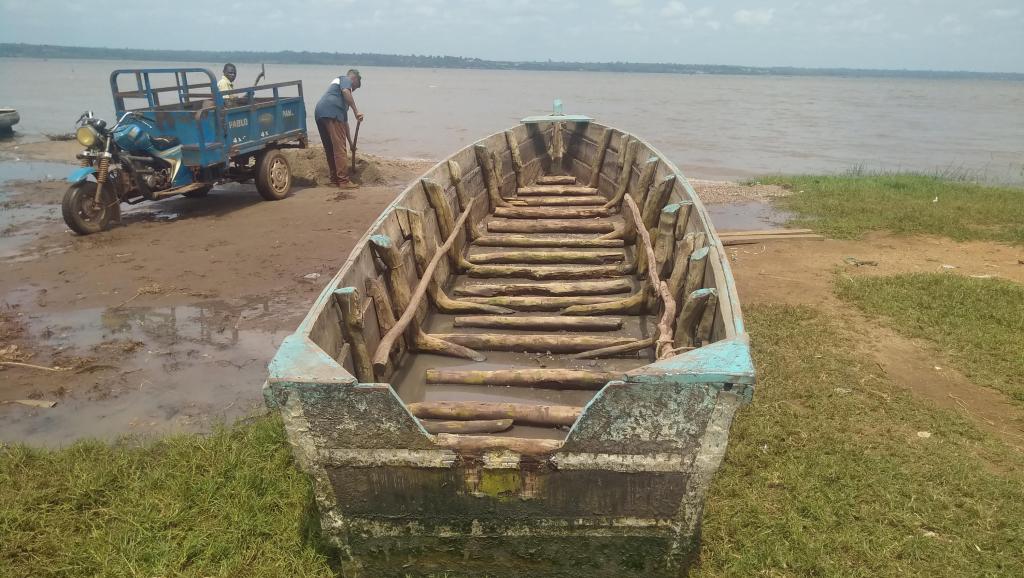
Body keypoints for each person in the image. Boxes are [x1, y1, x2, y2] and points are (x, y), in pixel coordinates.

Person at [314, 69, 364, 188]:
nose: (353, 91)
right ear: (354, 79)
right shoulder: (345, 79)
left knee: (330, 148)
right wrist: (356, 111)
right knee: (340, 149)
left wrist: (351, 143)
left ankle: (334, 180)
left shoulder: (339, 96)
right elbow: (347, 91)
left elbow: (344, 124)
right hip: (332, 112)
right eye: (355, 87)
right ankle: (343, 181)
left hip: (320, 113)